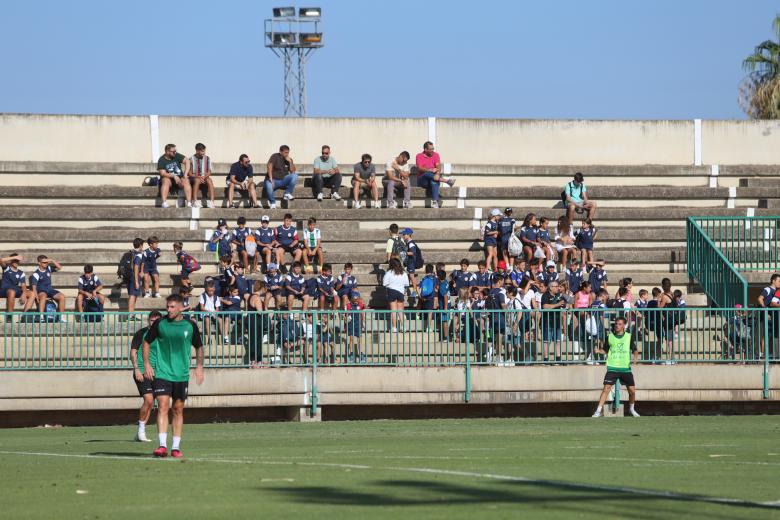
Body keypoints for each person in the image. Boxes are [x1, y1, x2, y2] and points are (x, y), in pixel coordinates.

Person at [143, 294, 205, 458]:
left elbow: (199, 346)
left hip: (181, 374)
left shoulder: (190, 326)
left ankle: (175, 447)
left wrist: (199, 367)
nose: (168, 309)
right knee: (163, 406)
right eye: (167, 306)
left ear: (180, 308)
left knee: (178, 409)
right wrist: (147, 364)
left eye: (171, 307)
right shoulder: (160, 323)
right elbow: (146, 342)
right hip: (163, 373)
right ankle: (162, 445)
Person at [592, 317, 640, 417]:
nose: (617, 326)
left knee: (632, 391)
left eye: (619, 324)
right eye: (616, 324)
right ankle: (598, 411)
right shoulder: (610, 337)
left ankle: (632, 409)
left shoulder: (628, 336)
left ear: (624, 326)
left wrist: (635, 358)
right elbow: (605, 350)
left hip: (625, 368)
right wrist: (598, 351)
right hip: (612, 367)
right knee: (606, 388)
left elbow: (635, 349)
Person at [130, 310, 162, 442]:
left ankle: (140, 432)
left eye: (157, 321)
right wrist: (137, 369)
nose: (154, 323)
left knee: (153, 403)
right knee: (148, 400)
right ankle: (141, 431)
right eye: (152, 320)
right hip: (142, 372)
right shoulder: (141, 333)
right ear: (148, 321)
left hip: (158, 373)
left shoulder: (163, 335)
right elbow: (133, 352)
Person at [415, 141, 455, 209]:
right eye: (430, 149)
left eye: (433, 149)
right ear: (425, 149)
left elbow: (438, 166)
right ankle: (446, 181)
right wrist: (430, 170)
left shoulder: (435, 155)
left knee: (434, 181)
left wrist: (437, 174)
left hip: (433, 178)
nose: (432, 151)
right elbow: (420, 168)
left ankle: (434, 202)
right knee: (427, 173)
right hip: (422, 180)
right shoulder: (419, 156)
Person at [157, 144, 191, 209]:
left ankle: (189, 203)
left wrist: (185, 174)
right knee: (165, 180)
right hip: (169, 179)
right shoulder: (161, 160)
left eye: (175, 151)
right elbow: (162, 173)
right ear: (167, 152)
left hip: (180, 179)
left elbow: (187, 161)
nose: (175, 152)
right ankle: (164, 203)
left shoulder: (176, 155)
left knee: (186, 180)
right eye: (173, 151)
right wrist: (173, 176)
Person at [265, 145, 298, 209]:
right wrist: (271, 179)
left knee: (295, 175)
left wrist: (290, 162)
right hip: (273, 179)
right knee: (269, 185)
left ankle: (287, 193)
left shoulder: (289, 159)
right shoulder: (275, 156)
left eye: (288, 152)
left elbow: (292, 171)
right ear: (280, 152)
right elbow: (269, 166)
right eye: (285, 152)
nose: (287, 154)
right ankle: (272, 203)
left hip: (283, 180)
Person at [541, 280, 566, 363]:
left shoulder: (559, 295)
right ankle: (546, 359)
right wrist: (557, 305)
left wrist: (565, 302)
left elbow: (569, 302)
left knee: (558, 340)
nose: (557, 288)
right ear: (550, 288)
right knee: (546, 341)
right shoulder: (545, 295)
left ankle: (558, 358)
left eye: (558, 286)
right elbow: (545, 306)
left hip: (557, 320)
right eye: (555, 286)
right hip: (548, 321)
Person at [383, 257, 409, 332]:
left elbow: (384, 283)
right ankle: (403, 327)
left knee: (393, 310)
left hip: (392, 291)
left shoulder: (389, 272)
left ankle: (394, 327)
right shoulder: (403, 273)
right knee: (401, 310)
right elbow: (406, 283)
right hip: (401, 292)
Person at [758, 273, 780, 360]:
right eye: (779, 281)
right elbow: (760, 298)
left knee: (771, 336)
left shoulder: (776, 291)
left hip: (772, 316)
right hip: (766, 316)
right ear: (773, 281)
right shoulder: (768, 289)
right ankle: (762, 354)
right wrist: (765, 311)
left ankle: (769, 354)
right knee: (766, 336)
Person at [188, 143, 216, 208]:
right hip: (194, 177)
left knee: (210, 180)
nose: (204, 152)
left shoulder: (207, 158)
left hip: (204, 176)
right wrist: (197, 177)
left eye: (204, 151)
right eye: (202, 151)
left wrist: (204, 177)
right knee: (197, 180)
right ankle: (195, 201)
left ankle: (212, 202)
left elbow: (209, 171)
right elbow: (189, 173)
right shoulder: (191, 159)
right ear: (197, 151)